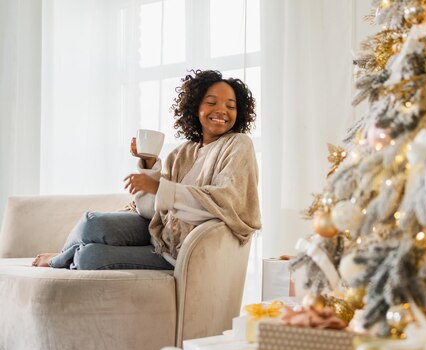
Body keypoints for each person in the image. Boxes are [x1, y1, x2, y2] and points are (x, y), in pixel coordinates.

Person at [32, 69, 261, 270]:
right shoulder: (181, 153)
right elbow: (150, 213)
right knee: (92, 221)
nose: (221, 110)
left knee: (90, 257)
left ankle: (61, 259)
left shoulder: (238, 144)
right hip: (158, 235)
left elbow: (224, 202)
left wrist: (159, 187)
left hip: (180, 252)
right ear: (195, 107)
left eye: (230, 106)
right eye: (211, 102)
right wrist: (149, 164)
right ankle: (63, 255)